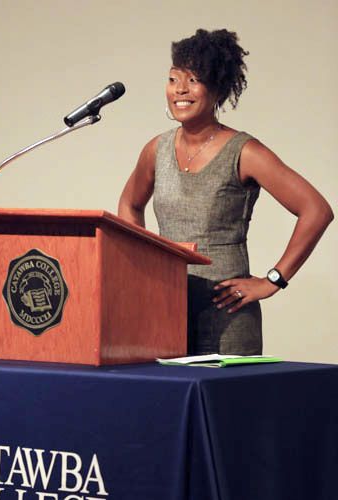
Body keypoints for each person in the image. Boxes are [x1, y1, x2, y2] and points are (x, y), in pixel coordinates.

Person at [118, 28, 334, 355]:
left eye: (193, 80)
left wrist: (273, 280)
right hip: (165, 308)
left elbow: (316, 210)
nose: (180, 89)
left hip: (226, 315)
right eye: (174, 79)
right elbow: (130, 204)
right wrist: (143, 267)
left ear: (217, 88)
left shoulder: (244, 151)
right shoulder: (156, 149)